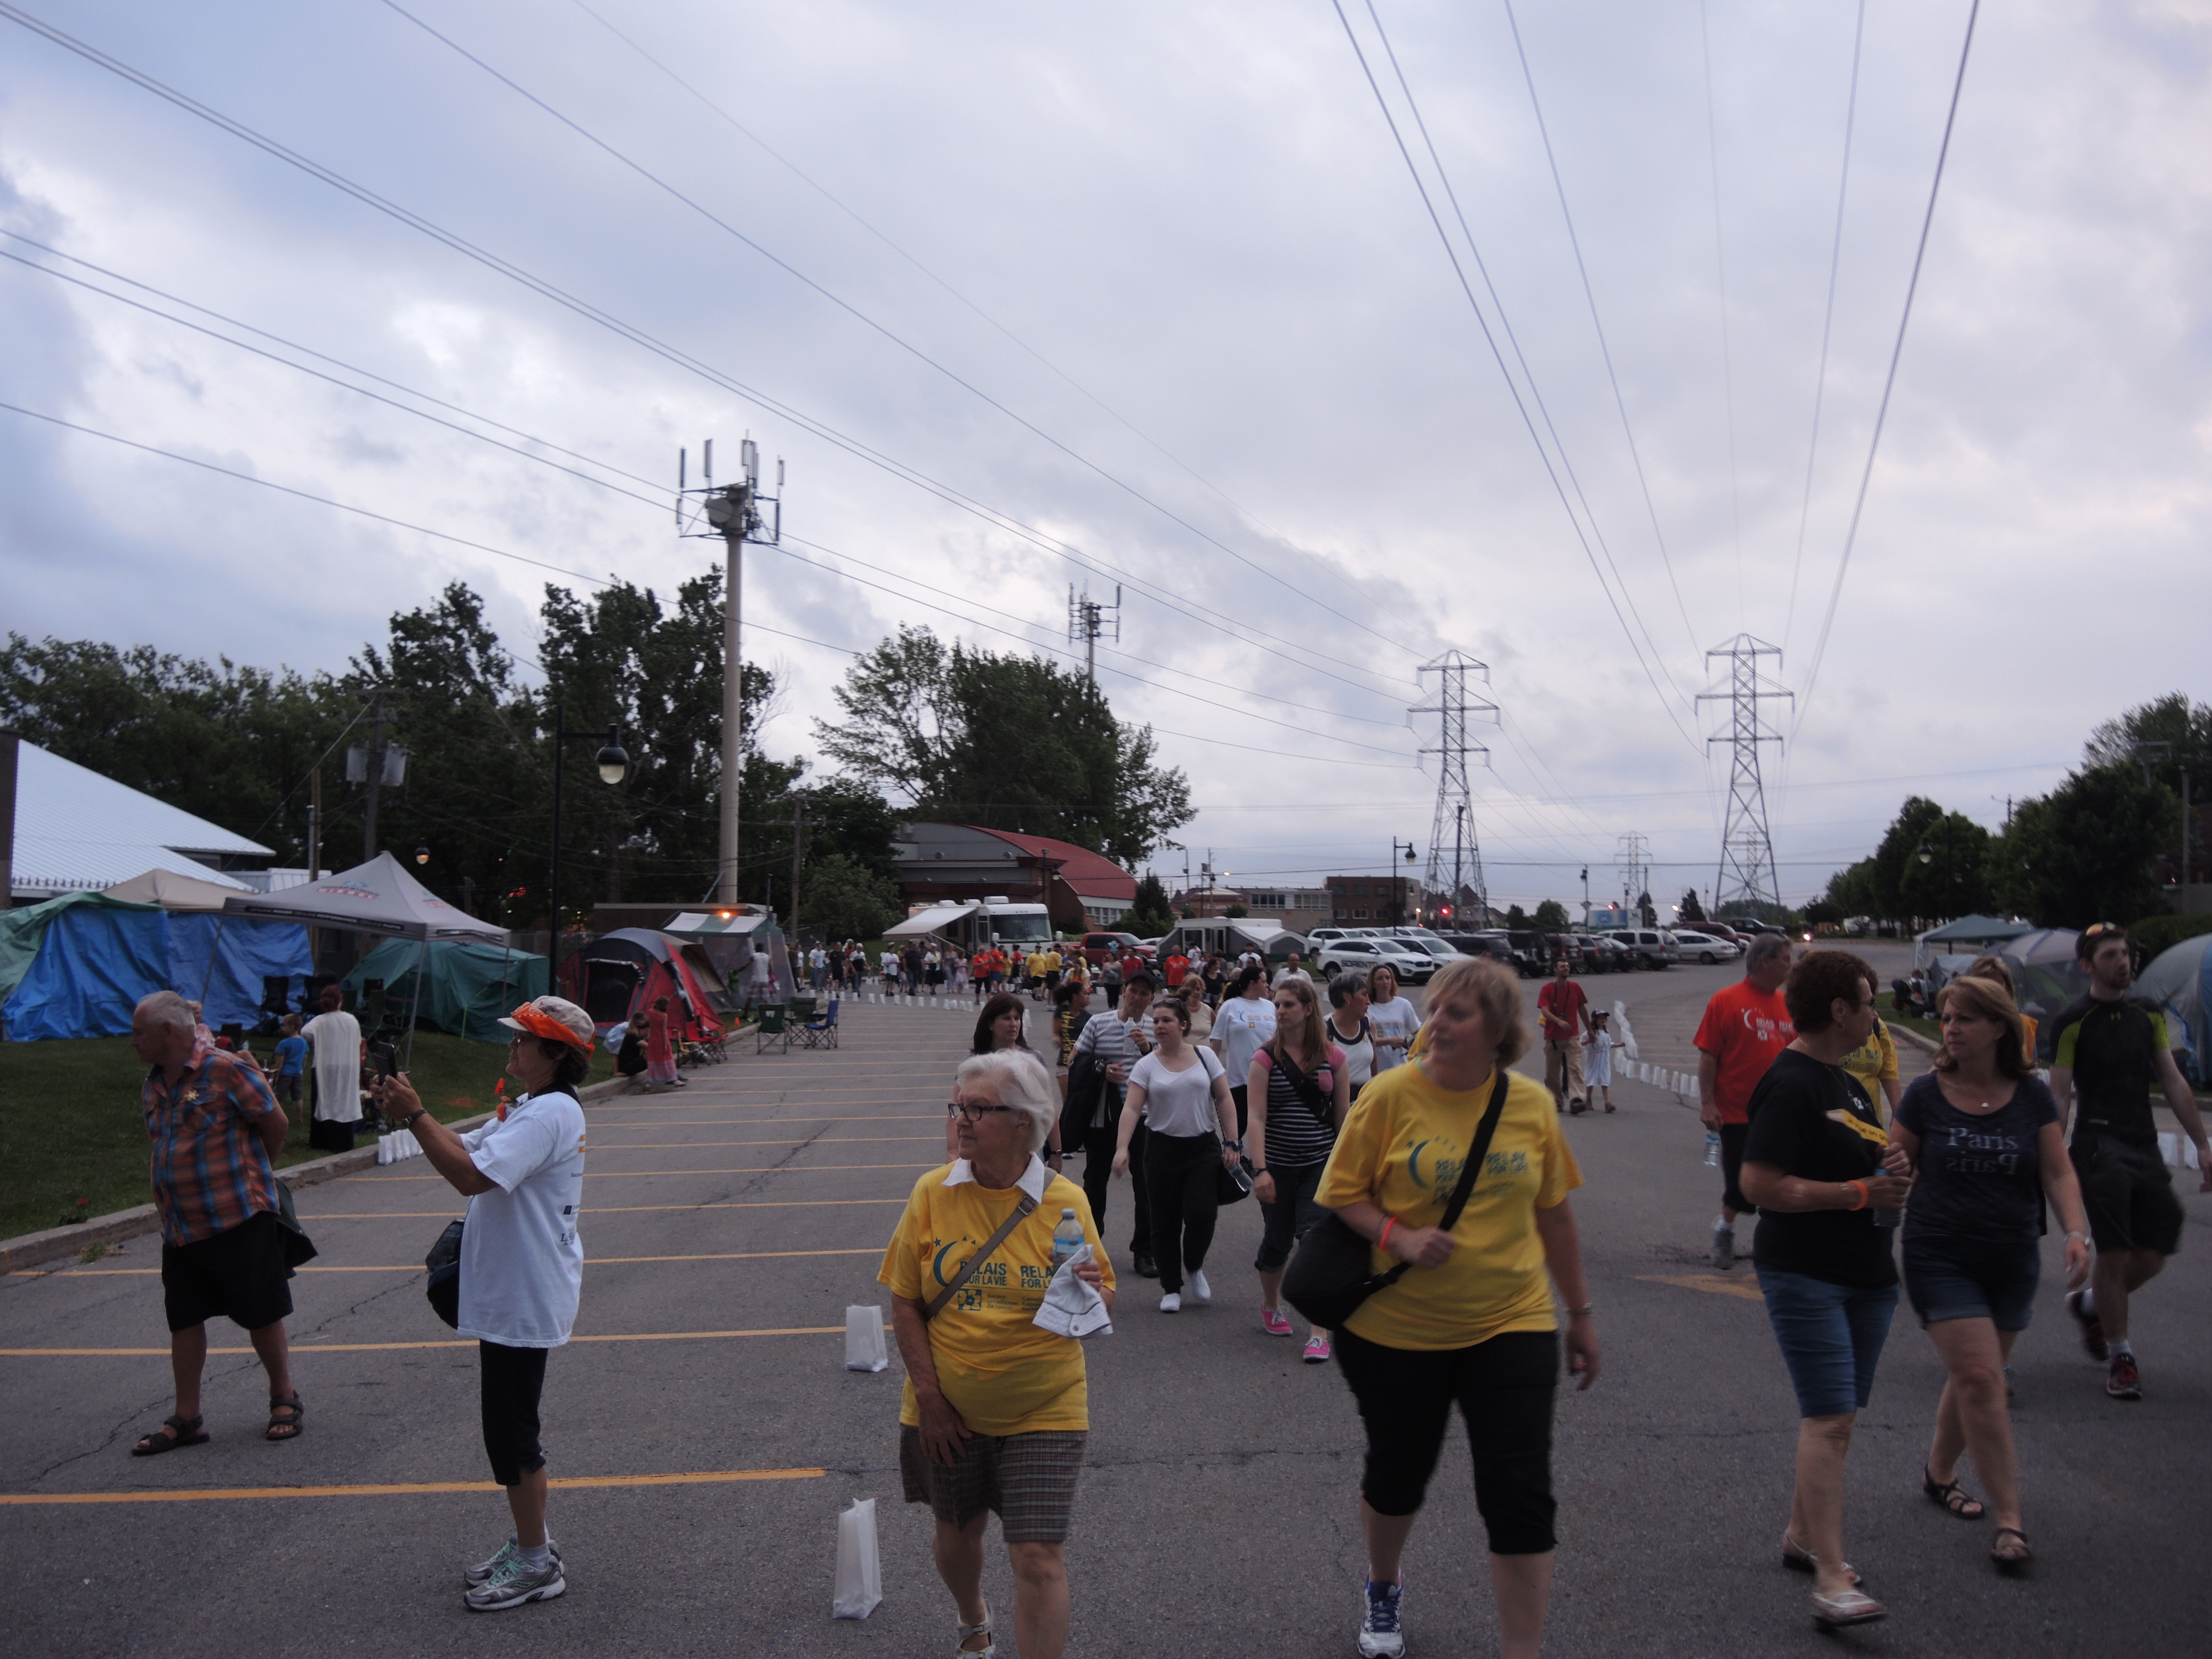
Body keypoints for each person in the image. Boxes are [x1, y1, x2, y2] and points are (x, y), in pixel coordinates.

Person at [1314, 956, 1595, 1659]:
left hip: (1513, 1320)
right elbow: (1342, 1192)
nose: (1434, 1023)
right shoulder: (1387, 1097)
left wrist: (1580, 1313)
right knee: (1398, 1474)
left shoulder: (1530, 1105)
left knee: (1520, 1489)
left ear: (1498, 1032)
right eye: (1433, 1008)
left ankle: (1520, 1650)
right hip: (1396, 1330)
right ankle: (1384, 1583)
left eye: (1456, 1013)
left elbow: (1554, 1213)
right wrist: (1397, 1235)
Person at [884, 1051, 1114, 1659]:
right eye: (958, 1105)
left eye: (977, 1108)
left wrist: (1092, 1289)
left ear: (1023, 1122)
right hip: (947, 1405)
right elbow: (905, 1300)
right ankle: (972, 1618)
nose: (960, 1119)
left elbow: (1103, 1290)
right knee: (957, 1534)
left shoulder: (1065, 1202)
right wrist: (930, 1401)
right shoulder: (932, 1193)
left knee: (1038, 1556)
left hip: (1045, 1404)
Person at [373, 995, 591, 1611]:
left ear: (555, 1053)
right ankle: (532, 1545)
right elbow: (467, 1149)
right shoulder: (535, 1107)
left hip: (523, 1294)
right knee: (509, 1429)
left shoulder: (548, 1115)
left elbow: (472, 1177)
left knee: (512, 1434)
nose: (513, 1047)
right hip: (517, 1288)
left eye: (524, 1040)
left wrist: (415, 1115)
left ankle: (536, 1563)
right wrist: (417, 1113)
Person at [1891, 973, 2090, 1572]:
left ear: (1998, 1028)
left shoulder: (2029, 1097)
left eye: (1963, 1019)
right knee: (1982, 1377)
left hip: (2010, 1257)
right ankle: (2011, 1521)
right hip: (1939, 1252)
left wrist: (2076, 1231)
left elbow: (2057, 1172)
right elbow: (1893, 1166)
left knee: (1970, 1376)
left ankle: (1937, 1471)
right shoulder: (1924, 1095)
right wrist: (1892, 1163)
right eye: (1946, 1018)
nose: (1949, 1029)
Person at [1738, 951, 1911, 1630]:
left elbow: (1859, 1157)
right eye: (1868, 1003)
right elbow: (1758, 1184)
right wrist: (1856, 1192)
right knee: (1829, 1417)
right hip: (1805, 1272)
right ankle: (1831, 1576)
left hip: (1867, 1274)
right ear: (1839, 1011)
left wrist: (1887, 1162)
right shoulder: (1791, 1083)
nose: (1875, 1014)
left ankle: (1801, 1536)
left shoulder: (1844, 1081)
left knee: (1841, 1419)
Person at [127, 990, 301, 1455]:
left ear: (167, 1032)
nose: (132, 1042)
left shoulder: (226, 1069)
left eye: (138, 1033)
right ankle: (188, 1418)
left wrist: (253, 1176)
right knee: (183, 1318)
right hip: (180, 1227)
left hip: (237, 1216)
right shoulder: (154, 1083)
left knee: (260, 1311)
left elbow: (275, 1122)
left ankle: (283, 1396)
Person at [2049, 922, 2212, 1399]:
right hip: (2098, 1146)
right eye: (2110, 957)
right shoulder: (2073, 1021)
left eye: (2125, 954)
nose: (2123, 963)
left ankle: (2091, 1305)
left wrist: (2202, 1146)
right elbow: (2059, 1095)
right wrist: (2052, 1159)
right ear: (2088, 967)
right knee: (2115, 1251)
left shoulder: (2148, 1013)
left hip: (2143, 1143)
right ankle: (2122, 1355)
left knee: (2156, 1250)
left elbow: (2174, 1082)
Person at [1113, 997, 1239, 1311]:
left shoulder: (1205, 1056)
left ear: (1183, 1025)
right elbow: (1132, 1108)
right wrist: (1122, 1148)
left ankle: (1194, 1266)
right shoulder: (1146, 1065)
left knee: (1202, 1214)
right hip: (1162, 1149)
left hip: (1202, 1148)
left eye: (1166, 1020)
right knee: (1164, 1222)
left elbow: (1224, 1098)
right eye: (1156, 1021)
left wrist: (1232, 1142)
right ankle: (1171, 1287)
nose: (1159, 1026)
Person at [1251, 975, 1350, 1358]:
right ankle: (1271, 1305)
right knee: (1277, 1241)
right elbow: (1256, 1118)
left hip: (1319, 1163)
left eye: (1288, 1005)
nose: (1280, 1011)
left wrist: (1349, 1168)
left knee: (1314, 1241)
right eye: (1277, 1005)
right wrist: (1260, 1170)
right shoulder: (1264, 1058)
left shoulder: (1334, 1058)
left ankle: (1319, 1332)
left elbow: (1343, 1120)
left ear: (1308, 1009)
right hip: (1277, 1164)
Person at [1694, 933, 1796, 1268]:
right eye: (1785, 959)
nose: (1789, 966)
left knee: (1779, 1183)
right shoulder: (1726, 1001)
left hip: (1779, 1115)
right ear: (1765, 961)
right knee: (1740, 1186)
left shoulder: (1785, 1006)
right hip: (1736, 1114)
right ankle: (1724, 1229)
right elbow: (1708, 1055)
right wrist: (1708, 1103)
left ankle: (1777, 1245)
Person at [1071, 973, 1157, 1276]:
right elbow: (1074, 1060)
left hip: (1143, 1118)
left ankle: (1144, 1252)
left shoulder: (1154, 1028)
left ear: (1151, 1000)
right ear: (1123, 991)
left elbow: (1166, 1071)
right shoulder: (1098, 1023)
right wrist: (1101, 1070)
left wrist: (1148, 1049)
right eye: (1133, 991)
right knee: (1095, 1182)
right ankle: (1092, 1246)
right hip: (1103, 1115)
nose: (1136, 997)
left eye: (1144, 993)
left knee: (1146, 1185)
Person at [1209, 964, 1277, 1140]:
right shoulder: (1230, 1006)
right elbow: (1216, 1040)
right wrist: (1211, 1071)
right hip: (1239, 1080)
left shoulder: (1270, 1007)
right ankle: (1232, 1164)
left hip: (1269, 1078)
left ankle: (1263, 1166)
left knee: (1268, 1130)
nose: (1267, 985)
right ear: (1253, 984)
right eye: (1264, 982)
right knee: (1237, 1130)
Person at [1837, 964, 1905, 1125]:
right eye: (1869, 1004)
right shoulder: (1827, 1032)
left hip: (1870, 1127)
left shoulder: (1878, 1028)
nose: (1874, 1014)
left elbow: (1889, 1073)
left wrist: (1899, 1118)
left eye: (1873, 1002)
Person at [302, 984, 364, 1153]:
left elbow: (305, 1032)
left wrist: (318, 1041)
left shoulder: (320, 1021)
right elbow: (358, 1040)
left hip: (325, 1066)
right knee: (343, 1100)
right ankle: (343, 1140)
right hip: (347, 1066)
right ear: (340, 1001)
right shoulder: (351, 1020)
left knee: (324, 1099)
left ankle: (322, 1140)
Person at [1537, 958, 1590, 1114]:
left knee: (1575, 1068)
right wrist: (1559, 1022)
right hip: (1553, 1038)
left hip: (1572, 1036)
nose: (1566, 968)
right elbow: (1545, 1011)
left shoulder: (1575, 987)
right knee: (1552, 1073)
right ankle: (1556, 1101)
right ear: (1556, 970)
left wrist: (1590, 1030)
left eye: (1567, 966)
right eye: (1562, 966)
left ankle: (1577, 1100)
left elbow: (1582, 1009)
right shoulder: (1547, 989)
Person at [1325, 970, 1375, 1102]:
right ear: (1347, 997)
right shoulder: (1324, 1029)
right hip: (1337, 1105)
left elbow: (1374, 1063)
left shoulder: (1368, 1024)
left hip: (1366, 1102)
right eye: (1364, 995)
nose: (1369, 1002)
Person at [1365, 964, 1418, 1076]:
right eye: (1380, 979)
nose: (1385, 982)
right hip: (1377, 1069)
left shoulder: (1403, 1005)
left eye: (1388, 978)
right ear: (1373, 983)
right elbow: (1364, 1041)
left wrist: (1409, 1042)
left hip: (1401, 1067)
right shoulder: (1367, 1007)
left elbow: (1418, 1032)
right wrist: (1389, 1041)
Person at [645, 994, 684, 1091]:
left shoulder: (650, 1012)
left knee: (653, 1059)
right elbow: (664, 1031)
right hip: (661, 1039)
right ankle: (673, 1079)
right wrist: (666, 1044)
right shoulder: (664, 1016)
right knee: (668, 1058)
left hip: (653, 1040)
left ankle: (649, 1081)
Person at [1581, 1010, 1615, 1114]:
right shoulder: (1590, 1033)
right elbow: (1580, 1042)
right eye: (1600, 1018)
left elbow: (1609, 1044)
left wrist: (1618, 1045)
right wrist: (1588, 1041)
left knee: (1605, 1081)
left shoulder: (1606, 1033)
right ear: (1595, 1020)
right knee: (1591, 1081)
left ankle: (1608, 1103)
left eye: (1604, 1018)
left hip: (1604, 1062)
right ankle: (1588, 1099)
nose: (1603, 1020)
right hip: (1593, 1061)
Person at [272, 1014, 307, 1114]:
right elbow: (305, 1057)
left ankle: (278, 1116)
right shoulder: (303, 1042)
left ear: (291, 1027)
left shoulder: (284, 1043)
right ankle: (300, 1117)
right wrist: (302, 1069)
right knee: (298, 1096)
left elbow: (281, 1060)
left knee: (280, 1096)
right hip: (297, 1072)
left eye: (284, 1025)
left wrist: (277, 1074)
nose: (282, 1028)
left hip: (286, 1073)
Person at [1177, 974, 1214, 1044]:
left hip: (1203, 1054)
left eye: (1198, 989)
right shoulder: (1177, 1008)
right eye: (1191, 989)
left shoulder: (1208, 1010)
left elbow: (1217, 1032)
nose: (1195, 992)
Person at [615, 1011, 649, 1086]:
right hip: (626, 1067)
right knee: (649, 1056)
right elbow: (647, 1046)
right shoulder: (632, 1035)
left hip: (632, 1062)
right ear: (639, 1022)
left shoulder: (636, 1035)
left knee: (649, 1054)